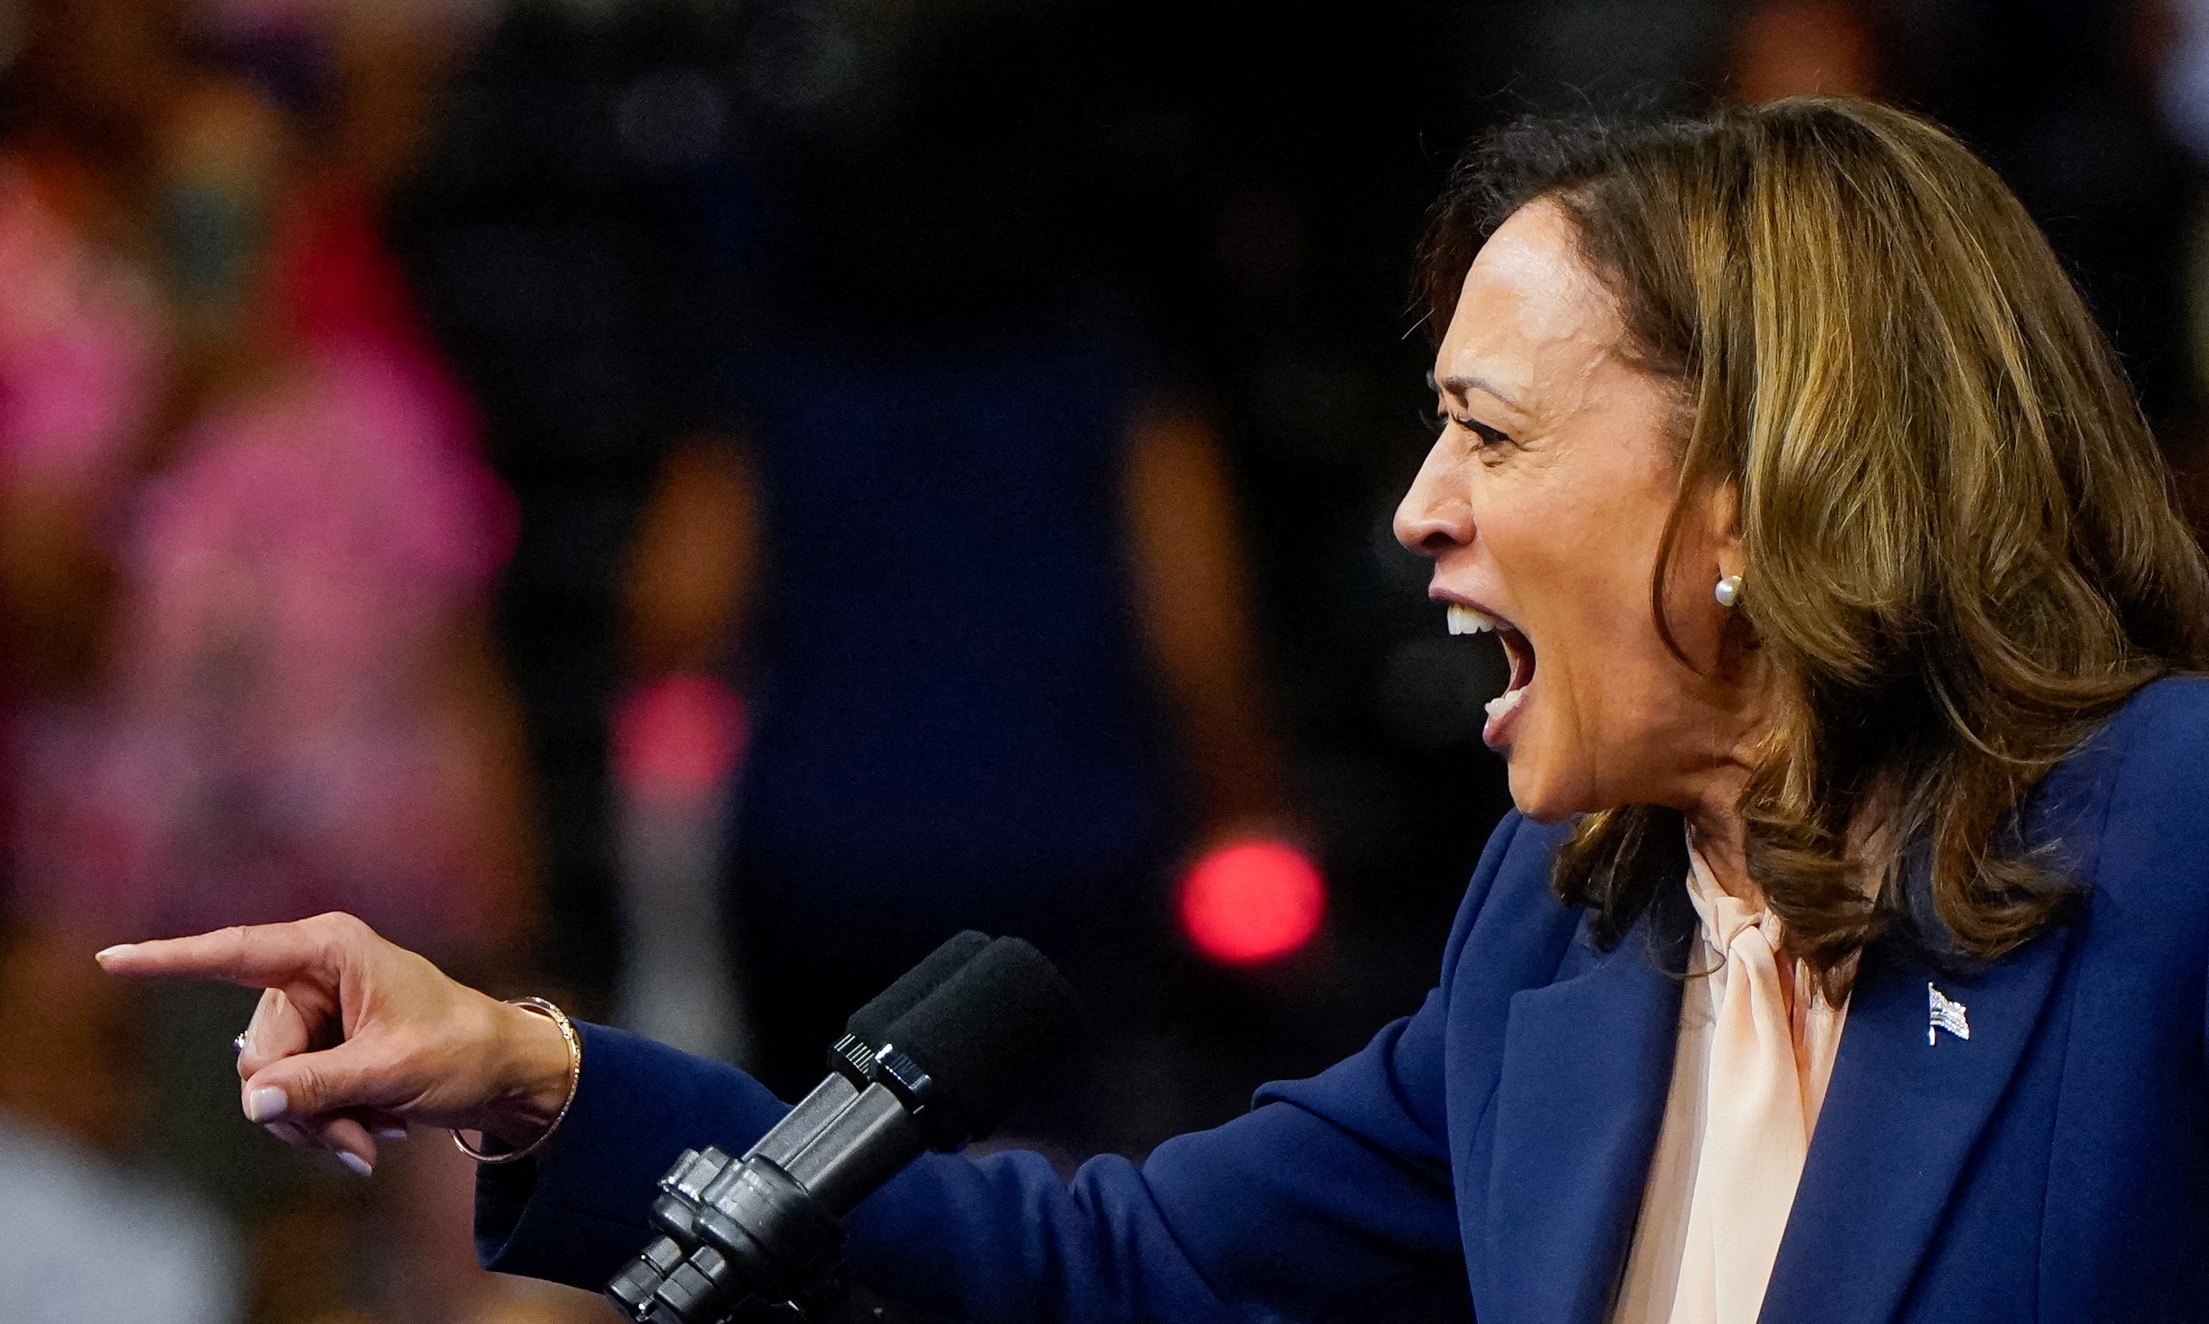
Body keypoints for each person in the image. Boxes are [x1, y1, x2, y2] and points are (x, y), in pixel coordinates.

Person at [100, 97, 2209, 1322]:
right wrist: (533, 1072)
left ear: (1751, 483)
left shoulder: (2162, 842)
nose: (1418, 511)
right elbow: (1114, 1265)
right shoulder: (1565, 936)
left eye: (1486, 432)